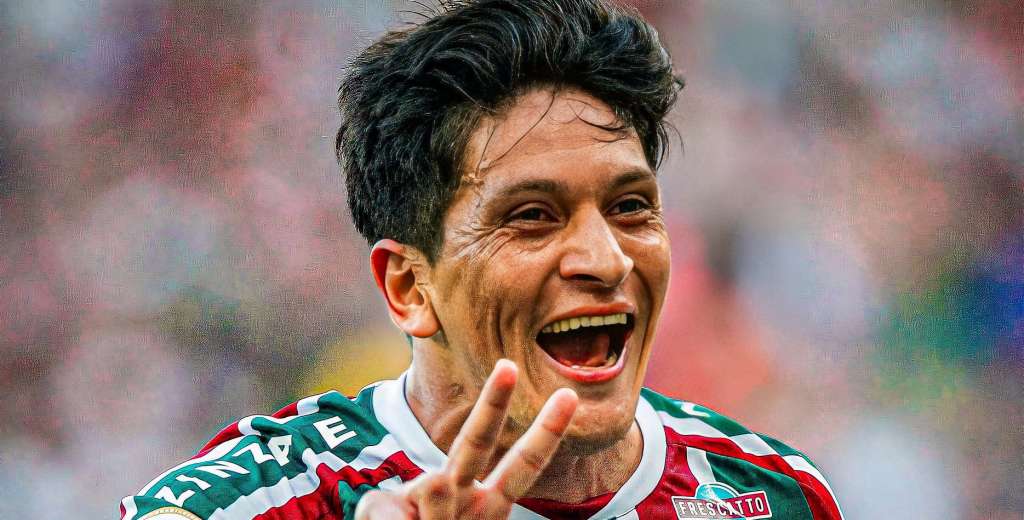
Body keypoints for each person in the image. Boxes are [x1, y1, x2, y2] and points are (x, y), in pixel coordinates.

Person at [120, 1, 844, 518]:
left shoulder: (771, 495)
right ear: (409, 287)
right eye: (532, 217)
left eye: (630, 207)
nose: (606, 259)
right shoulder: (263, 499)